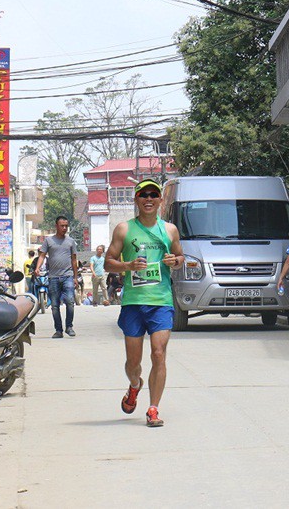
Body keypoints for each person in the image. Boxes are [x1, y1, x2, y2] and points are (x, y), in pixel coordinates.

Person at [105, 179, 184, 428]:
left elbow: (181, 256)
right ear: (136, 200)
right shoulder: (123, 230)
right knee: (133, 363)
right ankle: (134, 385)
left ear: (160, 200)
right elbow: (108, 262)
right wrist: (127, 266)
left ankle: (153, 408)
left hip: (160, 301)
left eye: (153, 194)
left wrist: (175, 261)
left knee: (159, 354)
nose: (148, 199)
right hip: (133, 302)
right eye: (143, 195)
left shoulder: (169, 230)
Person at [34, 216, 79, 338]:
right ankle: (58, 330)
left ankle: (69, 327)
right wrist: (37, 267)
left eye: (66, 226)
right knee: (54, 305)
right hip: (53, 277)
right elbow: (42, 256)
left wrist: (75, 277)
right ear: (56, 226)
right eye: (62, 225)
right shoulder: (49, 241)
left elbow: (74, 260)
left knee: (70, 301)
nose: (64, 228)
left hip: (68, 276)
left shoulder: (70, 241)